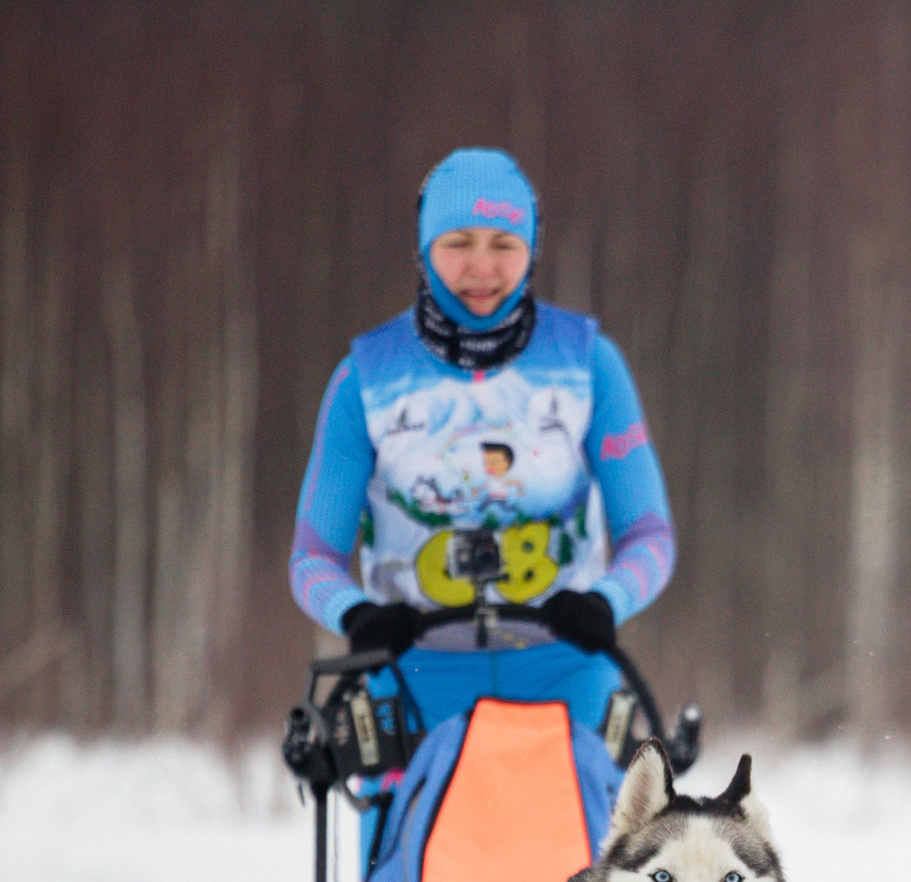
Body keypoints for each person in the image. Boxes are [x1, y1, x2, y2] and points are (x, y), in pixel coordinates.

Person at [287, 148, 675, 733]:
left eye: (503, 244)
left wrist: (605, 603)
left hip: (565, 673)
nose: (481, 268)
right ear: (423, 248)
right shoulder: (364, 380)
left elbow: (650, 536)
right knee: (409, 827)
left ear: (532, 249)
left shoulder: (590, 365)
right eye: (458, 242)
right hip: (413, 677)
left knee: (585, 826)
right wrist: (358, 614)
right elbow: (312, 557)